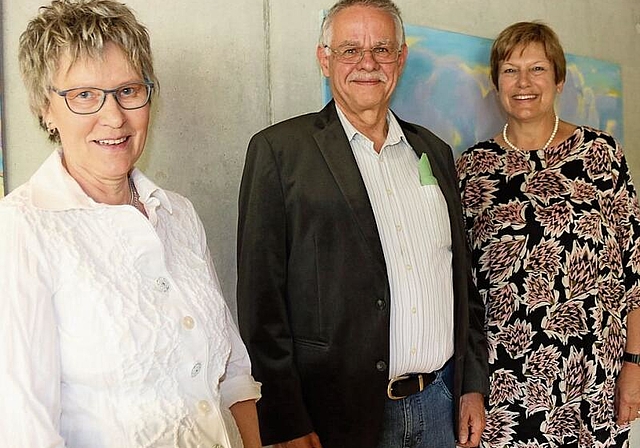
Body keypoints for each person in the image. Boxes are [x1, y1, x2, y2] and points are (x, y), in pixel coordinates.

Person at [0, 1, 262, 447]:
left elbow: (232, 370)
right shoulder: (23, 230)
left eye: (128, 90)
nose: (114, 116)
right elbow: (26, 428)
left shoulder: (178, 214)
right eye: (84, 95)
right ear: (46, 108)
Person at [236, 1, 488, 447]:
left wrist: (470, 384)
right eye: (350, 49)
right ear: (324, 58)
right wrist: (286, 418)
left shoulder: (434, 151)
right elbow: (262, 303)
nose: (367, 63)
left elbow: (459, 278)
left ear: (401, 58)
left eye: (382, 49)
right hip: (336, 412)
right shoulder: (280, 152)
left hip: (440, 403)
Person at [456, 21, 640, 447]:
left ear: (558, 80)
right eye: (510, 70)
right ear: (495, 82)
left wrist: (634, 362)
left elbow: (635, 267)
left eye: (537, 69)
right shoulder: (472, 168)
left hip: (592, 380)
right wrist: (468, 385)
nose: (523, 83)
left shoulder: (601, 155)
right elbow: (461, 284)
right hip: (503, 385)